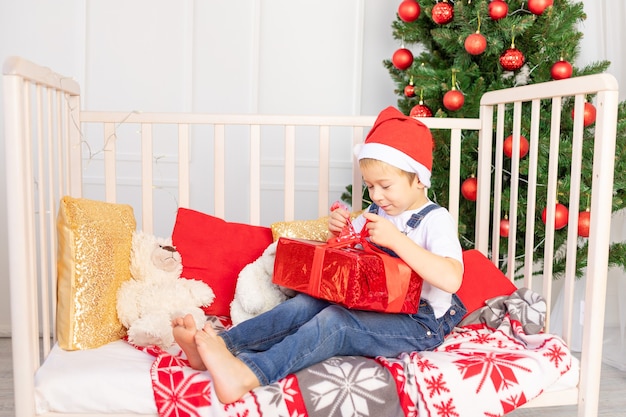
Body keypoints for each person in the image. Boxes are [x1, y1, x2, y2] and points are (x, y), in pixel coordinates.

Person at [172, 106, 466, 404]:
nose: (376, 196)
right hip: (380, 302)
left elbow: (451, 278)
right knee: (306, 304)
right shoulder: (377, 211)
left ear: (418, 179)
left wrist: (399, 242)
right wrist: (339, 234)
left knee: (337, 322)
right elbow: (354, 254)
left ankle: (247, 374)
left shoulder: (435, 219)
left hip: (421, 321)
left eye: (385, 186)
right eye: (370, 186)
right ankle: (222, 345)